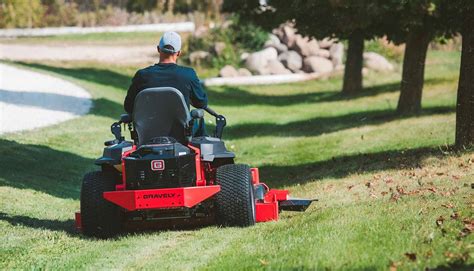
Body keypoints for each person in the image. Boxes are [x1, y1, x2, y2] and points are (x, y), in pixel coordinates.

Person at [124, 31, 208, 136]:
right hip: (181, 134)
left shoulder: (142, 75)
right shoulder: (188, 75)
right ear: (179, 53)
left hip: (146, 134)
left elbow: (128, 107)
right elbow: (201, 103)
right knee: (199, 120)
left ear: (158, 49)